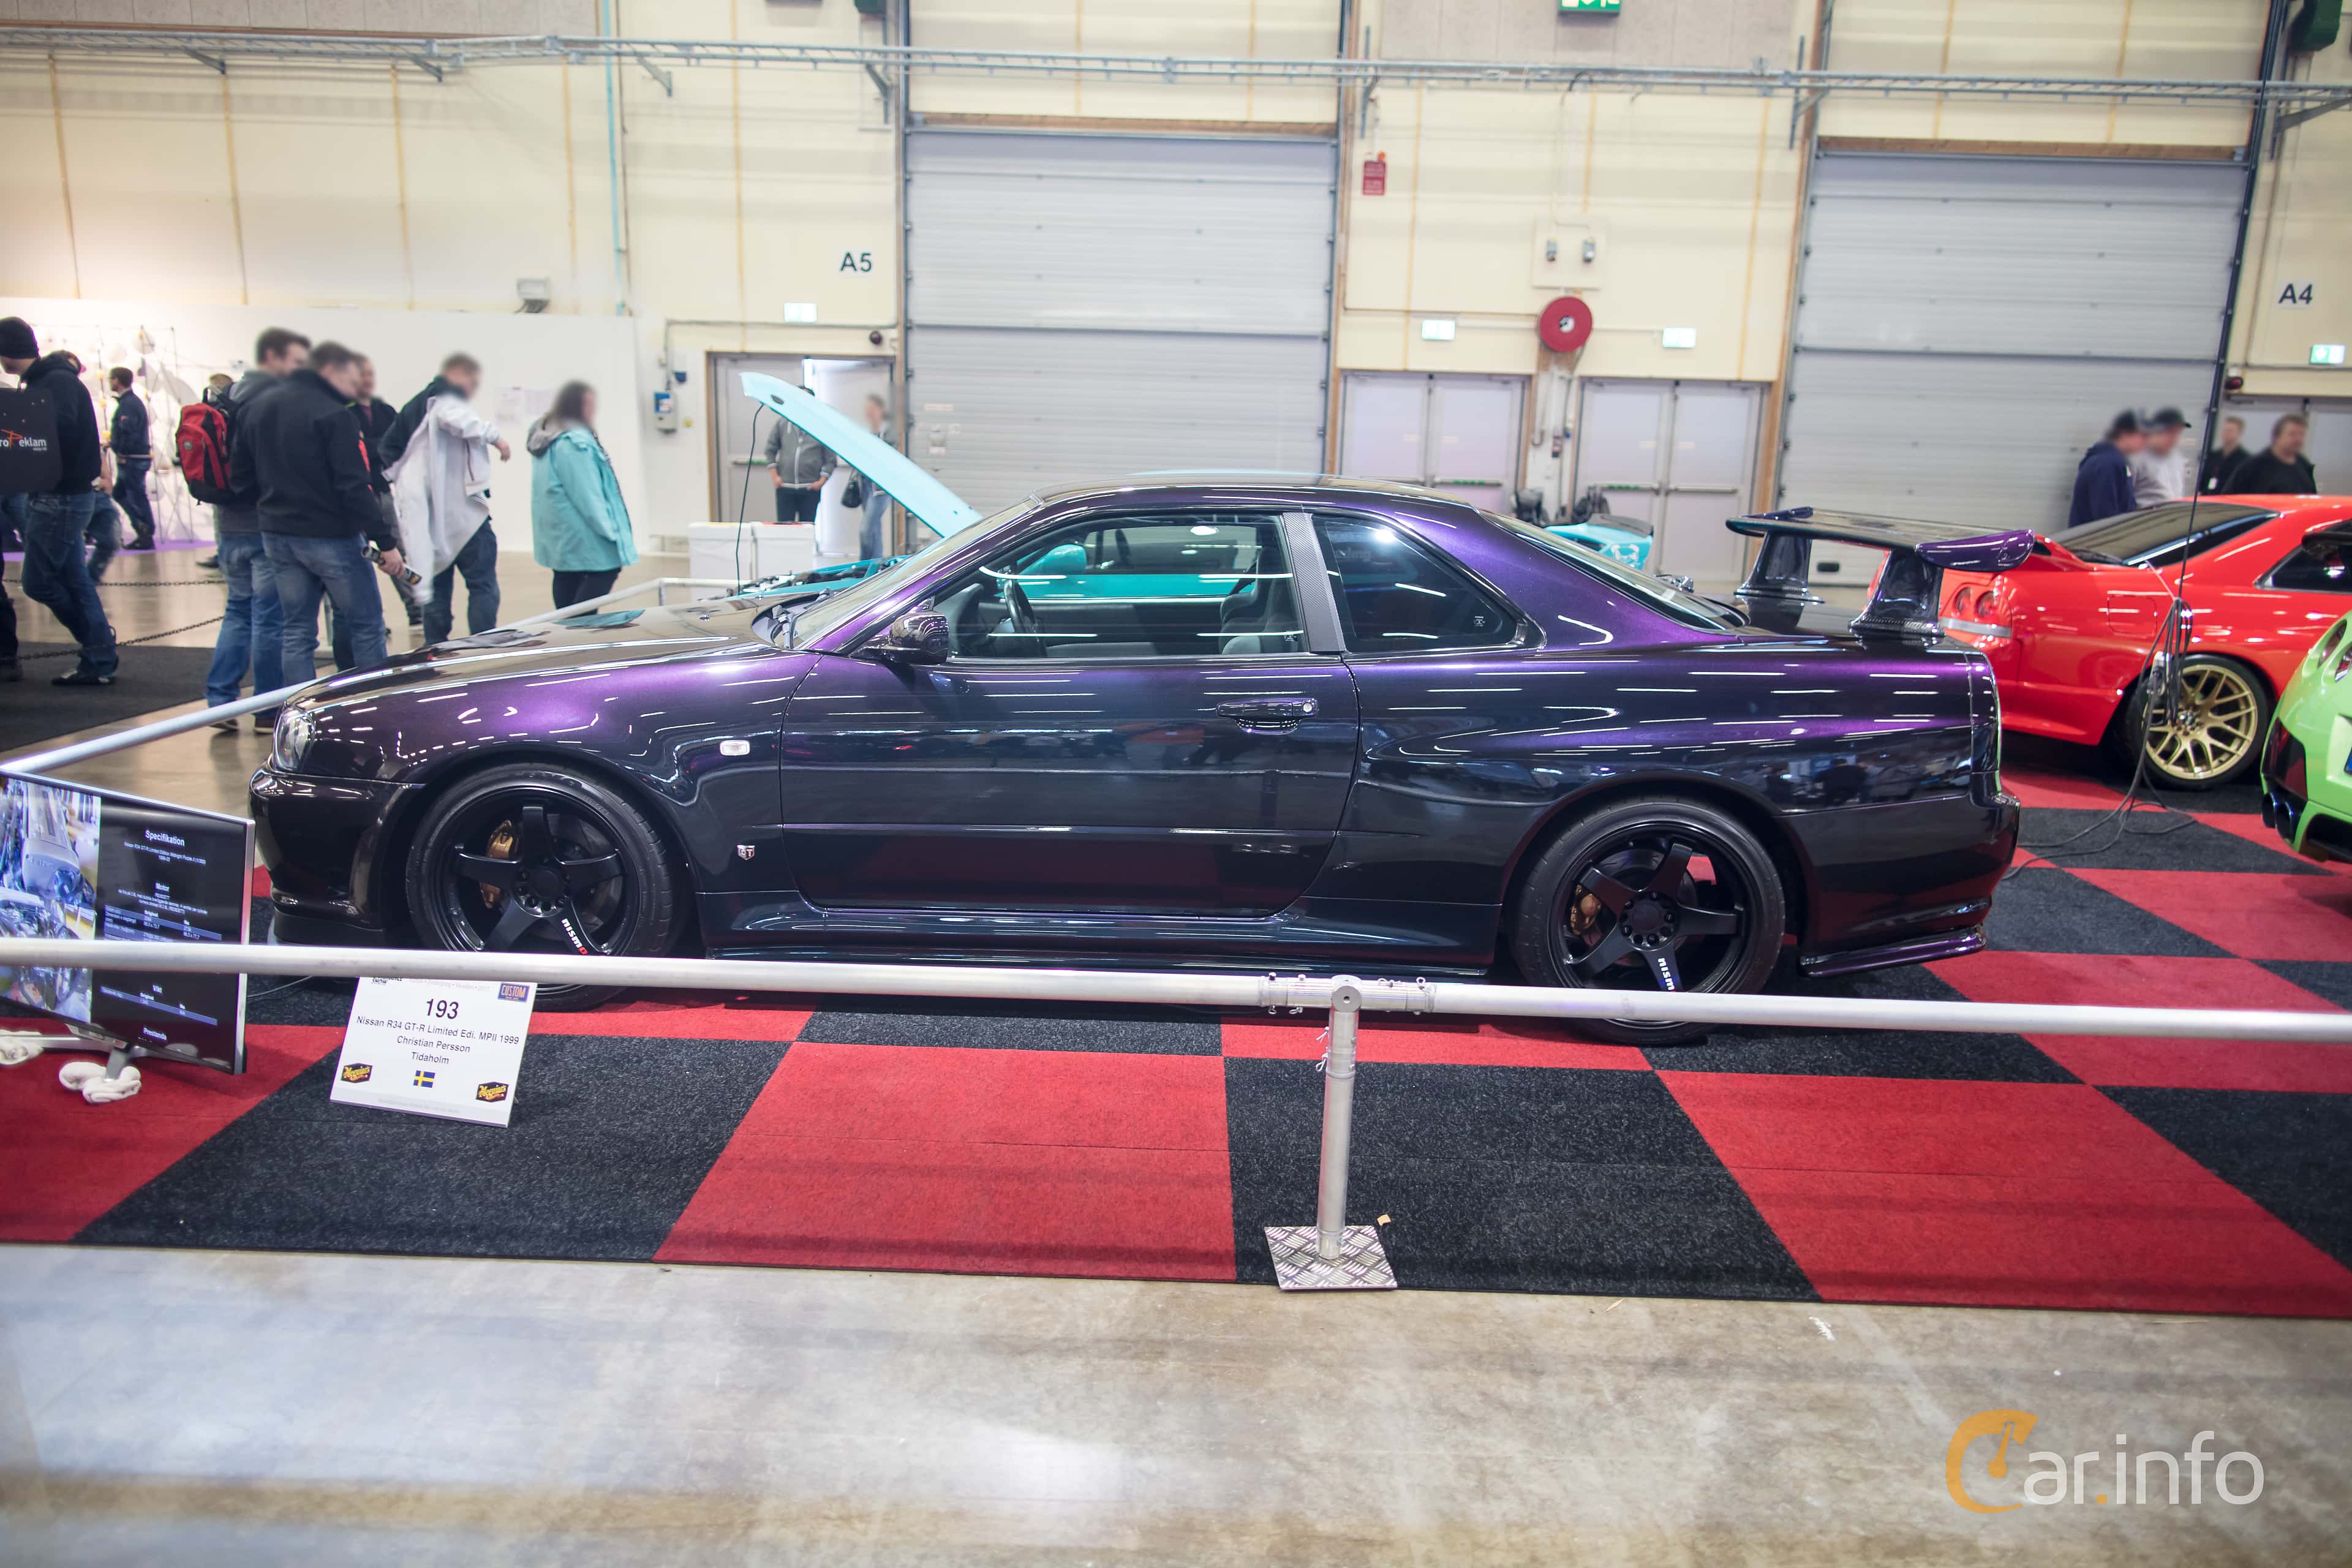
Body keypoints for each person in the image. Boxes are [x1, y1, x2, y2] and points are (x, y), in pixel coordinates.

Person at [236, 341, 405, 682]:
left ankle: (302, 714)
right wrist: (385, 541)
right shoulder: (334, 415)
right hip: (330, 537)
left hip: (277, 534)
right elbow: (353, 487)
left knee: (297, 631)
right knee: (367, 626)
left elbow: (240, 477)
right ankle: (372, 707)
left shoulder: (256, 409)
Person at [0, 317, 118, 686]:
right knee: (74, 579)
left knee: (37, 583)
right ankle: (98, 656)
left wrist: (20, 437)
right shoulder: (48, 382)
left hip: (61, 498)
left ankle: (95, 642)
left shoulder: (54, 384)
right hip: (57, 496)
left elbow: (56, 433)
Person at [204, 327, 307, 727]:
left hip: (227, 523)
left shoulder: (225, 397)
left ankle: (220, 701)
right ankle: (266, 708)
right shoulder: (273, 402)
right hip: (264, 523)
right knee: (269, 616)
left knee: (238, 610)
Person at [384, 352, 507, 644]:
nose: (473, 389)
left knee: (438, 592)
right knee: (482, 587)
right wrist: (497, 438)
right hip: (466, 517)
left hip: (433, 521)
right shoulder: (444, 400)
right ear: (457, 375)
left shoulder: (416, 409)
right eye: (472, 382)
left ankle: (435, 654)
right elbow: (459, 420)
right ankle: (483, 648)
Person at [527, 381, 638, 609]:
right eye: (588, 404)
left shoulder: (549, 436)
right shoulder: (573, 442)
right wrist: (610, 532)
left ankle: (570, 632)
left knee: (567, 577)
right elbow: (587, 494)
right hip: (581, 533)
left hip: (562, 533)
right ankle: (578, 630)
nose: (592, 410)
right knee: (606, 571)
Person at [105, 366, 156, 550]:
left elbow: (129, 432)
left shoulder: (129, 404)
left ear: (117, 380)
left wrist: (123, 453)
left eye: (111, 379)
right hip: (133, 457)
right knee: (122, 493)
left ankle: (145, 532)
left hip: (133, 459)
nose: (109, 382)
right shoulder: (129, 403)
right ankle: (143, 529)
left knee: (135, 496)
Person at [2068, 410, 2144, 529]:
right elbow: (2106, 518)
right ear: (2125, 434)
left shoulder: (2112, 461)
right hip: (2096, 543)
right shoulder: (2107, 465)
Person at [765, 406, 836, 523]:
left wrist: (821, 482)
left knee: (807, 528)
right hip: (785, 487)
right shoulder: (783, 423)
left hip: (810, 488)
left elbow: (831, 459)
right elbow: (770, 449)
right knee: (785, 528)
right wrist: (775, 477)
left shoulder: (822, 427)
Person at [2225, 413, 2319, 495]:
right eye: (2293, 434)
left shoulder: (2304, 466)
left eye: (2301, 434)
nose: (2298, 439)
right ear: (2277, 437)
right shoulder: (2254, 467)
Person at [852, 392, 894, 561]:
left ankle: (864, 564)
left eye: (873, 408)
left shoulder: (889, 433)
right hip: (866, 484)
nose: (869, 412)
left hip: (881, 488)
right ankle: (875, 565)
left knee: (866, 529)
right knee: (874, 529)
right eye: (867, 409)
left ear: (881, 410)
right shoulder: (867, 432)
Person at [2129, 406, 2193, 507]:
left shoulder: (2178, 459)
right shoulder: (2137, 459)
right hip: (2147, 518)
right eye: (2170, 432)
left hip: (2172, 517)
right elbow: (2126, 495)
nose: (2175, 438)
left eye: (2178, 433)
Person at [2200, 415, 2250, 494]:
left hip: (2229, 500)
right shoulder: (2213, 456)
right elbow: (2204, 479)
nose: (2226, 433)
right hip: (2209, 499)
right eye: (2225, 430)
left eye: (2230, 431)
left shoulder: (2245, 460)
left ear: (2240, 433)